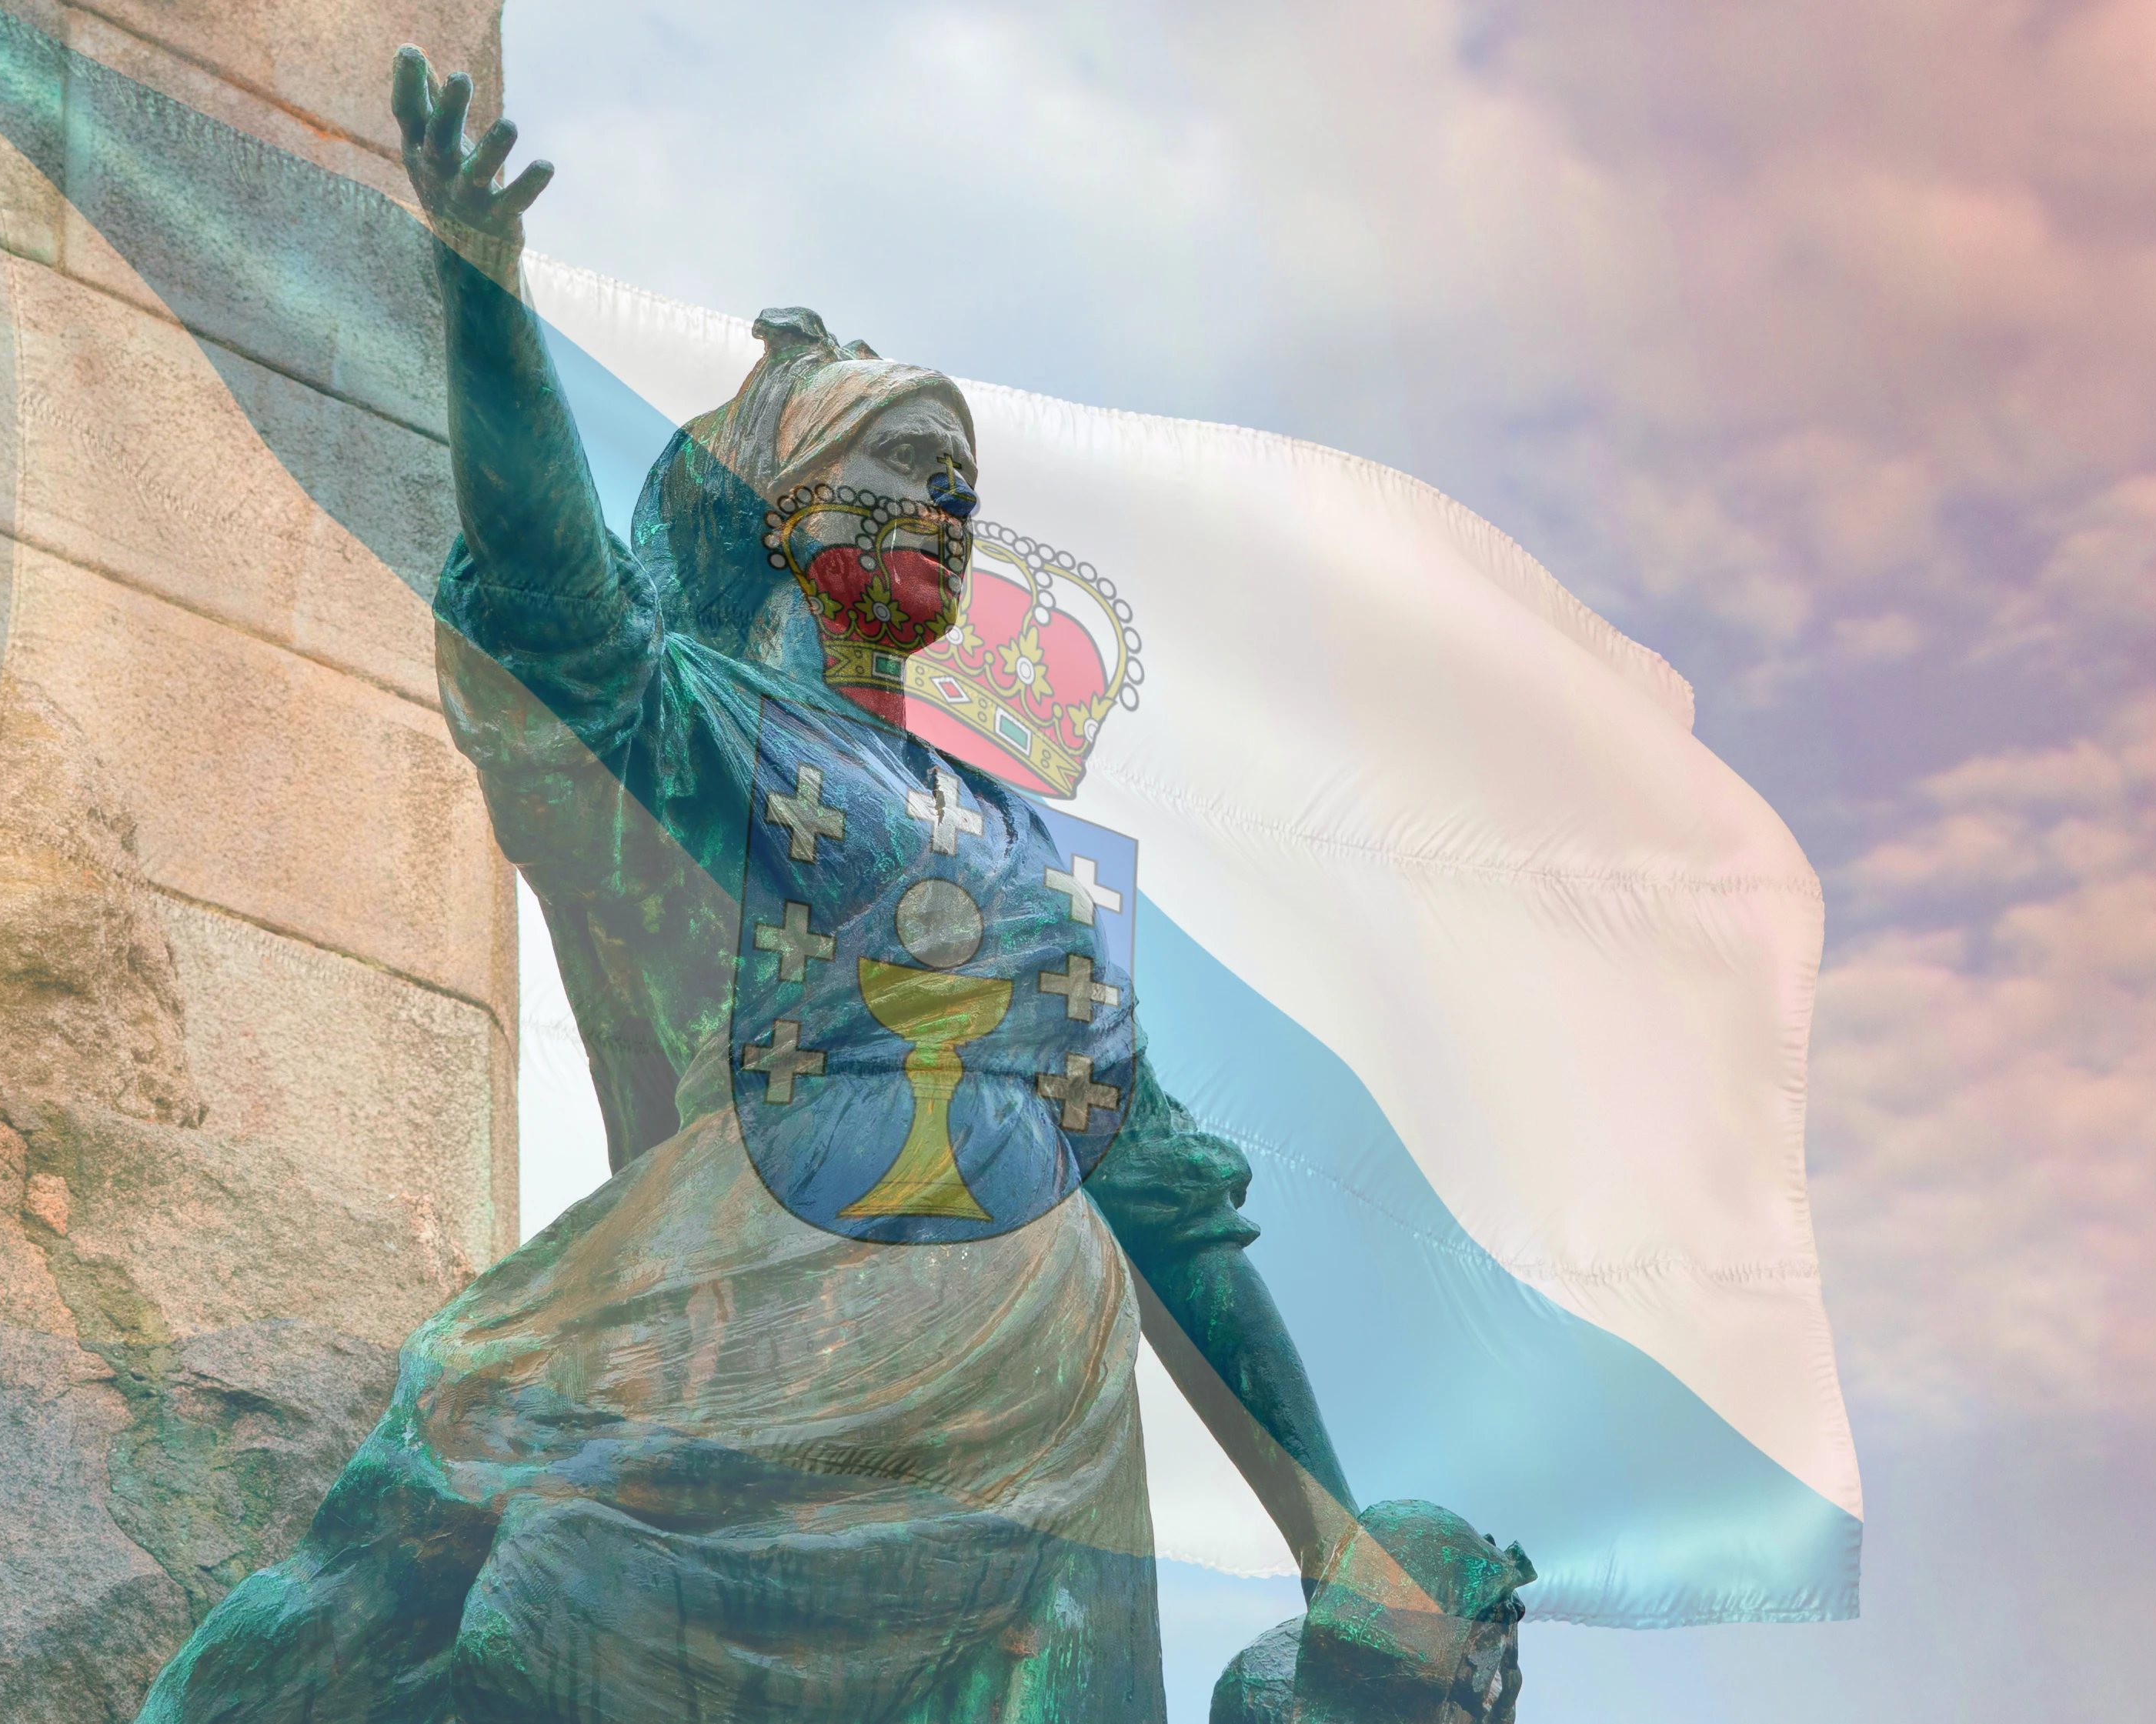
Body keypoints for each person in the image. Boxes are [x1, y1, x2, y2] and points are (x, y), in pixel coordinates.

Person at [128, 49, 1365, 1724]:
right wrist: (485, 306)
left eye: (963, 486)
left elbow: (1174, 1224)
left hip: (1033, 1433)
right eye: (899, 464)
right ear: (777, 512)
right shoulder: (720, 729)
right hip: (758, 1341)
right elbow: (562, 606)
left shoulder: (1032, 867)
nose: (944, 501)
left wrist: (1337, 1543)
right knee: (492, 1635)